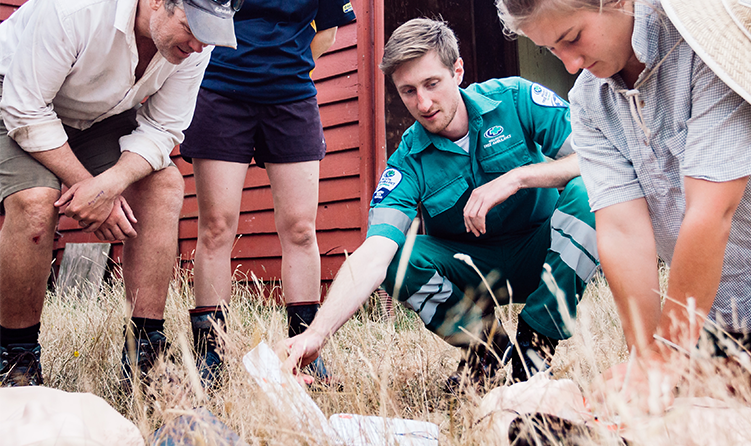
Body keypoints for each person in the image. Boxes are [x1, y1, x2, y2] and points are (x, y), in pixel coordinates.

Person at [496, 0, 751, 444]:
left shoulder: (713, 51)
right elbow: (622, 230)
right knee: (700, 416)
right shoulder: (589, 101)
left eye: (573, 38)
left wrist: (667, 356)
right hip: (735, 276)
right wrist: (646, 356)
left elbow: (710, 213)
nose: (571, 63)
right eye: (550, 50)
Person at [281, 18, 599, 390]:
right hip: (472, 274)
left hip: (541, 255)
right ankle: (488, 351)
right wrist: (316, 333)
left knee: (590, 191)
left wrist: (517, 177)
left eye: (432, 84)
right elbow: (374, 253)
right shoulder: (407, 162)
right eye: (408, 91)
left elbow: (596, 159)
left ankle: (536, 341)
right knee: (396, 258)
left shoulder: (516, 99)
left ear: (457, 70)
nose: (424, 103)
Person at [0, 0, 238, 387]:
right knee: (35, 201)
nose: (198, 45)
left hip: (95, 116)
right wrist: (87, 186)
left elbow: (162, 128)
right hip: (13, 98)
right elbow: (25, 109)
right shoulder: (73, 10)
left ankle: (143, 352)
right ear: (159, 2)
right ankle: (16, 357)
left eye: (208, 34)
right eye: (191, 27)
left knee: (164, 185)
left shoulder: (194, 48)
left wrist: (108, 186)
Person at [178, 0, 355, 387]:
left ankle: (303, 351)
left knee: (300, 229)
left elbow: (327, 31)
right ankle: (213, 353)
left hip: (291, 95)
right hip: (220, 90)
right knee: (216, 228)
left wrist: (281, 65)